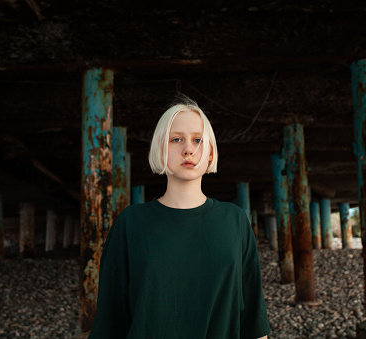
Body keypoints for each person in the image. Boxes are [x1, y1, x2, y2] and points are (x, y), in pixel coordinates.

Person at [88, 97, 270, 339]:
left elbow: (253, 319)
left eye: (197, 140)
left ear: (210, 152)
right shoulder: (130, 223)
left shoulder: (234, 221)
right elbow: (110, 321)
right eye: (176, 139)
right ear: (160, 148)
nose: (188, 149)